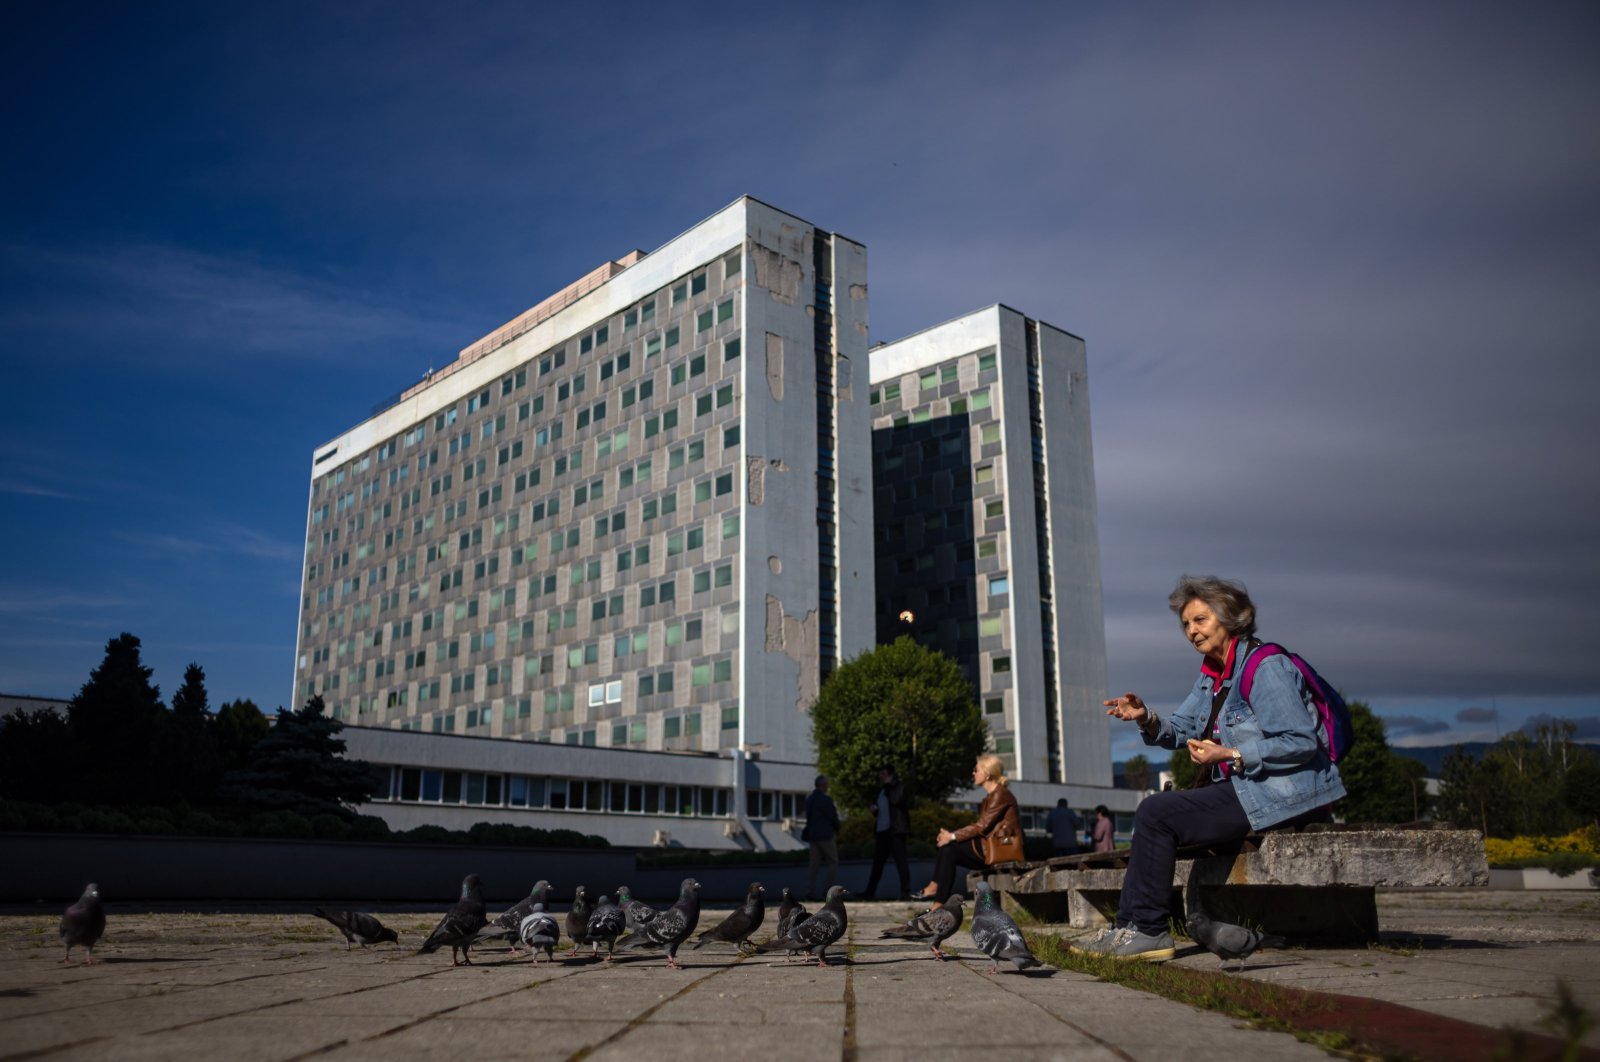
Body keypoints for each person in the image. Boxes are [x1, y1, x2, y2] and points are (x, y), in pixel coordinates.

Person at [1079, 574, 1346, 962]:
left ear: (1231, 617)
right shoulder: (1213, 675)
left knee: (1156, 812)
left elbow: (1300, 741)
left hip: (1286, 792)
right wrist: (1145, 718)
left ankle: (1148, 931)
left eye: (1200, 620)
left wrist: (1230, 755)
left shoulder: (1265, 665)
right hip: (1249, 790)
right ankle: (1128, 928)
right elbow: (1182, 729)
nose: (1191, 630)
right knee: (1157, 811)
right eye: (1186, 623)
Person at [914, 754, 1022, 906]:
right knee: (948, 849)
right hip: (990, 848)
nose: (973, 773)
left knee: (949, 848)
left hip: (1001, 849)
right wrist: (950, 837)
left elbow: (981, 826)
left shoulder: (1000, 795)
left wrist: (952, 836)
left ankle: (936, 897)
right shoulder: (991, 796)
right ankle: (936, 899)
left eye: (976, 769)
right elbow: (982, 826)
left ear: (987, 773)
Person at [862, 765, 912, 900]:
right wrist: (875, 810)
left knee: (901, 862)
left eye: (883, 773)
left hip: (896, 831)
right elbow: (882, 809)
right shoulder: (882, 790)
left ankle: (905, 892)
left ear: (890, 774)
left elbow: (896, 800)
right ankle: (869, 893)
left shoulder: (898, 787)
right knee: (877, 863)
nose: (881, 776)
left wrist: (889, 786)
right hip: (882, 831)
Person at [803, 774, 841, 899]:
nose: (828, 787)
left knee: (814, 865)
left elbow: (808, 818)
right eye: (827, 784)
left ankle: (810, 891)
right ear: (823, 785)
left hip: (813, 836)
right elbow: (833, 817)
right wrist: (838, 829)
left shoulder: (809, 800)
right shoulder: (825, 800)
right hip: (826, 835)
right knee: (833, 861)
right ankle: (827, 891)